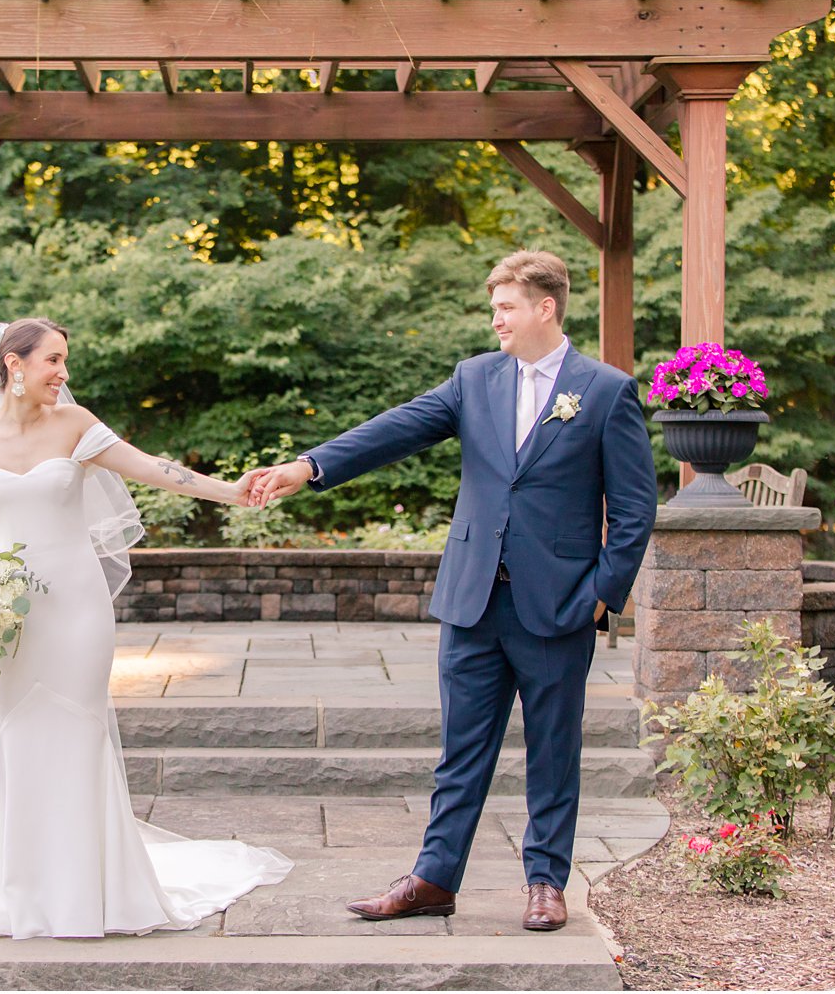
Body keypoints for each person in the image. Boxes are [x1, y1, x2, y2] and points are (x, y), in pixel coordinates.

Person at [249, 250, 656, 931]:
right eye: (494, 307)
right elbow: (399, 427)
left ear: (545, 307)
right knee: (460, 749)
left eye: (506, 306)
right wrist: (309, 465)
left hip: (557, 605)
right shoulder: (475, 378)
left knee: (554, 750)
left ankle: (547, 881)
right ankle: (435, 877)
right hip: (473, 598)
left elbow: (636, 508)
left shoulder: (606, 390)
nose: (495, 318)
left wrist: (601, 593)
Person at [0, 317, 290, 940]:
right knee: (19, 739)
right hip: (11, 618)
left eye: (64, 361)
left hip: (75, 606)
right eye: (53, 360)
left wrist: (233, 493)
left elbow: (155, 469)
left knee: (77, 731)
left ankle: (90, 894)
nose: (63, 373)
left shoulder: (76, 426)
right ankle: (21, 896)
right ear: (14, 365)